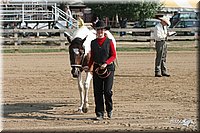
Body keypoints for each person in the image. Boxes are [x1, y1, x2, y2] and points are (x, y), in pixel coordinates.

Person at [88, 20, 116, 120]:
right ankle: (99, 112)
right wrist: (89, 66)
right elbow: (92, 57)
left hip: (108, 69)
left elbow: (113, 55)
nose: (100, 32)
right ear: (96, 31)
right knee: (97, 91)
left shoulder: (109, 42)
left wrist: (106, 63)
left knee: (107, 91)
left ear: (104, 31)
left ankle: (109, 109)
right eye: (98, 30)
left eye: (101, 30)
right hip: (97, 69)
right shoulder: (93, 43)